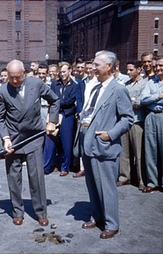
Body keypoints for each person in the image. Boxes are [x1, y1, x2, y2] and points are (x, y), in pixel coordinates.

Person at [74, 50, 134, 239]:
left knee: (107, 186)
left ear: (109, 66)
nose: (93, 68)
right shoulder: (94, 87)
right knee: (92, 184)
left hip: (104, 144)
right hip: (88, 142)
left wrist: (111, 134)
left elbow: (128, 118)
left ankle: (112, 224)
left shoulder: (118, 89)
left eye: (97, 65)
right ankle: (97, 216)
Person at [0, 59, 60, 226]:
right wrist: (5, 138)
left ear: (24, 72)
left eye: (18, 77)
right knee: (13, 177)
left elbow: (55, 100)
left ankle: (40, 212)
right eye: (11, 77)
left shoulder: (37, 84)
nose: (14, 81)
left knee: (36, 176)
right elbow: (0, 119)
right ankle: (17, 211)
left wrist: (51, 120)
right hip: (13, 139)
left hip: (34, 136)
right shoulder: (2, 91)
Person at [43, 62, 77, 176]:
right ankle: (46, 166)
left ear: (70, 71)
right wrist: (56, 103)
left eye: (64, 71)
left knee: (66, 143)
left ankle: (65, 167)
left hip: (67, 115)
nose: (62, 74)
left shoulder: (74, 85)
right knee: (50, 140)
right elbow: (50, 99)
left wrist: (56, 102)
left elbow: (69, 101)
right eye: (60, 72)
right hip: (55, 114)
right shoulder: (54, 84)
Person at [117, 60, 148, 191]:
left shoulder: (145, 83)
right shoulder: (126, 84)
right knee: (124, 152)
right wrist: (133, 100)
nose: (128, 72)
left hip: (137, 121)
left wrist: (133, 100)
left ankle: (142, 180)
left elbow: (141, 101)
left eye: (131, 70)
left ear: (139, 69)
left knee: (139, 152)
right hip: (125, 122)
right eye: (127, 70)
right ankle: (125, 177)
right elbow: (121, 101)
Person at [140, 56, 163, 193]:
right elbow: (143, 99)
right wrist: (158, 97)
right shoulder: (151, 82)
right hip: (150, 116)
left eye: (160, 65)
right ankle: (152, 182)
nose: (158, 68)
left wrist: (152, 98)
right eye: (156, 66)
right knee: (150, 149)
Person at [74, 60, 100, 177]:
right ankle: (83, 167)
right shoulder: (82, 83)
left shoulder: (99, 82)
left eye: (91, 68)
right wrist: (79, 112)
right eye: (87, 68)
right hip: (84, 117)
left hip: (95, 116)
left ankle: (94, 168)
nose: (89, 71)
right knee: (83, 143)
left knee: (94, 142)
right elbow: (79, 99)